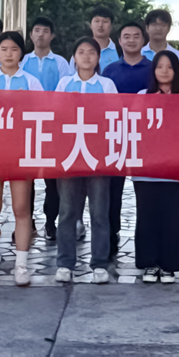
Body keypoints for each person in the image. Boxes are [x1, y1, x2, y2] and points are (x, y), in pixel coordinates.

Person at [0, 31, 44, 286]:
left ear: (21, 53)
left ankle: (21, 265)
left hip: (20, 152)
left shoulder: (31, 82)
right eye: (3, 49)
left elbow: (43, 115)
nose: (8, 54)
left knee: (21, 208)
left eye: (14, 49)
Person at [54, 37, 118, 284]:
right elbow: (55, 115)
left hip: (98, 157)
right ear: (74, 57)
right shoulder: (64, 83)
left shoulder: (107, 84)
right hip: (69, 155)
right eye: (81, 52)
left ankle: (99, 263)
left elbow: (113, 116)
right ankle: (65, 263)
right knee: (67, 212)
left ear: (98, 58)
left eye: (91, 52)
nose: (86, 56)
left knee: (99, 212)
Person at [134, 51, 179, 284]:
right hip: (146, 170)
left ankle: (168, 266)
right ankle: (149, 264)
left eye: (169, 67)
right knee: (147, 217)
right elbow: (134, 128)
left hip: (176, 171)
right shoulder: (142, 97)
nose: (164, 71)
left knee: (172, 219)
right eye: (159, 67)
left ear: (177, 71)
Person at [101, 21, 152, 259]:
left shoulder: (154, 68)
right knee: (112, 190)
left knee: (147, 189)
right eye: (126, 36)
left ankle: (147, 238)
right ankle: (111, 234)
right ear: (119, 41)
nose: (131, 40)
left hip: (147, 137)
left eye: (136, 36)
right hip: (116, 135)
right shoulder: (109, 70)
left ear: (143, 40)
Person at [20, 16, 73, 240]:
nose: (40, 35)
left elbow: (65, 92)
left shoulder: (61, 63)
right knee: (27, 177)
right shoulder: (22, 61)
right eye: (37, 30)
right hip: (27, 126)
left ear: (52, 35)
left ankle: (50, 221)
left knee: (53, 179)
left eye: (45, 31)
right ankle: (28, 220)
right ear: (31, 35)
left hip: (53, 126)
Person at [70, 5, 120, 74]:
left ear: (111, 26)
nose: (100, 25)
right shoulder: (80, 51)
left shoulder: (119, 50)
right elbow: (71, 76)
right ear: (91, 25)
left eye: (105, 21)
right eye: (97, 21)